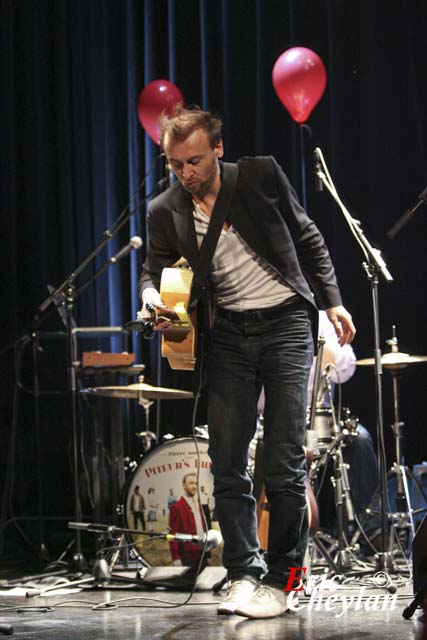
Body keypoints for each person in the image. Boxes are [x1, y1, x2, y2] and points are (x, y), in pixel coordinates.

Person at [139, 105, 355, 619]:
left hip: (285, 324)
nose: (186, 173)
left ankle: (285, 579)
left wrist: (333, 300)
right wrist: (151, 299)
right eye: (175, 165)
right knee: (227, 462)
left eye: (193, 161)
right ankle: (243, 573)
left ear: (217, 148)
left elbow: (308, 237)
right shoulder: (165, 209)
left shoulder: (259, 175)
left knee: (280, 464)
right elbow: (155, 271)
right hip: (230, 334)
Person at [308, 311, 381, 550]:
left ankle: (370, 530)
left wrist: (320, 344)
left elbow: (347, 370)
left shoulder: (323, 319)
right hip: (279, 420)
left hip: (325, 422)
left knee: (359, 439)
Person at [169, 473, 208, 566]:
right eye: (191, 483)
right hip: (187, 557)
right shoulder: (177, 507)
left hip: (202, 555)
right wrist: (176, 559)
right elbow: (173, 534)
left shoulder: (200, 505)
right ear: (183, 485)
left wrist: (208, 555)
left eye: (196, 483)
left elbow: (204, 530)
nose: (194, 486)